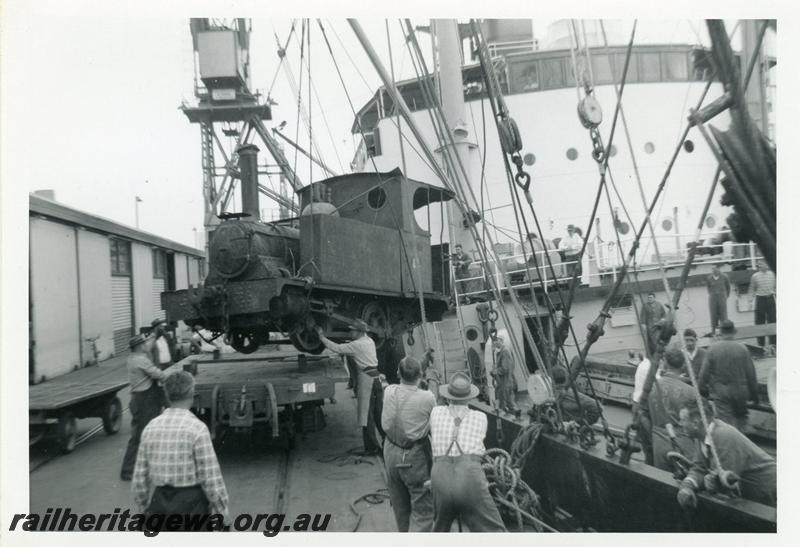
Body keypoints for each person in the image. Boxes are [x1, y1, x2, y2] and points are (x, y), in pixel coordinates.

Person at [132, 371, 230, 529]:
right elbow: (211, 478)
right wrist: (222, 514)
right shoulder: (197, 428)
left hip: (160, 504)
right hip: (192, 506)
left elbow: (139, 479)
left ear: (167, 395)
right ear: (192, 394)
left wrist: (142, 510)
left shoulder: (150, 428)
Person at [429, 371, 506, 532]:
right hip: (469, 478)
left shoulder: (435, 413)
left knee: (439, 529)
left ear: (448, 396)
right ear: (470, 397)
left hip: (440, 478)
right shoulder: (480, 417)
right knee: (494, 532)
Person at [676, 399, 776, 508]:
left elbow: (722, 483)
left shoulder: (723, 436)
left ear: (695, 423)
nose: (680, 424)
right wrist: (687, 485)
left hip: (769, 491)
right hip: (751, 491)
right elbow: (699, 468)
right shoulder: (700, 437)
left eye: (683, 420)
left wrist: (703, 482)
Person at [381, 357, 436, 532]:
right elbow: (433, 421)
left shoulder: (389, 391)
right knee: (423, 511)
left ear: (398, 373)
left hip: (390, 451)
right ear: (420, 374)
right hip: (414, 456)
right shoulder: (427, 397)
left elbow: (389, 388)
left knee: (400, 506)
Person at [316, 320, 381, 454]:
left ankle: (372, 448)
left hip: (367, 380)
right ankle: (387, 443)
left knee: (366, 416)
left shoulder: (357, 345)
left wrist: (322, 337)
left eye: (352, 331)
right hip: (376, 379)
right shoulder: (369, 341)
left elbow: (337, 348)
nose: (350, 332)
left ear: (360, 332)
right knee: (378, 414)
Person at [120, 334, 167, 481]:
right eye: (144, 343)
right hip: (144, 399)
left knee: (145, 434)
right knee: (139, 436)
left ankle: (145, 467)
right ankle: (127, 470)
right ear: (140, 346)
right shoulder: (141, 360)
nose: (147, 344)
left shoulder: (133, 358)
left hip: (140, 398)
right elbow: (158, 374)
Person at [698, 320, 759, 432]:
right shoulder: (743, 349)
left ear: (721, 332)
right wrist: (755, 397)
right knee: (741, 424)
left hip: (722, 394)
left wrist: (701, 390)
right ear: (734, 332)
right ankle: (742, 444)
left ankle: (732, 445)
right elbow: (751, 376)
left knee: (727, 426)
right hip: (741, 393)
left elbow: (703, 375)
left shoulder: (712, 350)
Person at [648, 346, 698, 471]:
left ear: (665, 363)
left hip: (658, 444)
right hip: (683, 445)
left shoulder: (651, 387)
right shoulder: (690, 392)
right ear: (683, 366)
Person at [630, 352, 657, 465]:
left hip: (638, 405)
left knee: (646, 442)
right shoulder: (649, 367)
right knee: (650, 443)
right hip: (643, 408)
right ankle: (651, 467)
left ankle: (649, 463)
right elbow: (658, 385)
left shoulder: (643, 364)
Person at [748, 260, 776, 349]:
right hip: (760, 299)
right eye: (760, 264)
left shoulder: (772, 274)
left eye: (763, 263)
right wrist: (750, 301)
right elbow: (752, 288)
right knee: (760, 322)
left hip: (771, 298)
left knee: (773, 321)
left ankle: (773, 344)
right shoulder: (755, 276)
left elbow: (776, 287)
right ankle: (761, 345)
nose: (761, 265)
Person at [491, 335, 521, 417]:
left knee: (505, 403)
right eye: (494, 341)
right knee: (509, 402)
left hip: (505, 382)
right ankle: (516, 415)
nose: (495, 342)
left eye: (497, 340)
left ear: (502, 341)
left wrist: (495, 371)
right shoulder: (501, 352)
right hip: (504, 381)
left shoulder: (505, 351)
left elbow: (505, 368)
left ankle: (514, 417)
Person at [705, 265, 731, 337]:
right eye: (712, 269)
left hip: (722, 298)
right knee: (713, 316)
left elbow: (728, 288)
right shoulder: (709, 278)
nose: (714, 270)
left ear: (719, 269)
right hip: (713, 298)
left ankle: (725, 333)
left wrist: (725, 297)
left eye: (716, 268)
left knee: (723, 316)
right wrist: (713, 295)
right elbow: (708, 288)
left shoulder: (725, 277)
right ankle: (714, 333)